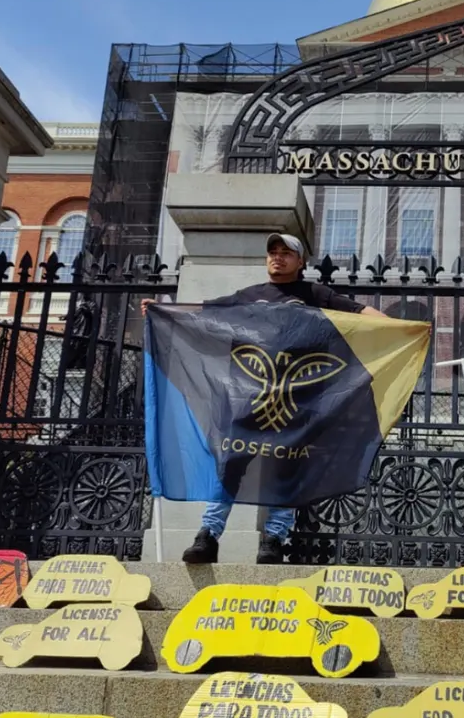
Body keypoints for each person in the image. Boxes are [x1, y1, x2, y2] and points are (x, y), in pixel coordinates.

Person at [145, 232, 385, 565]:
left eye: (286, 253)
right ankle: (207, 537)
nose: (277, 257)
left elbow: (359, 311)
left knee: (286, 468)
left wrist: (402, 327)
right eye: (272, 252)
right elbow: (204, 311)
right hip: (248, 398)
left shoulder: (315, 294)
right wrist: (163, 309)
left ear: (301, 262)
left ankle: (274, 539)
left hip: (297, 402)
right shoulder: (250, 296)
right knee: (230, 465)